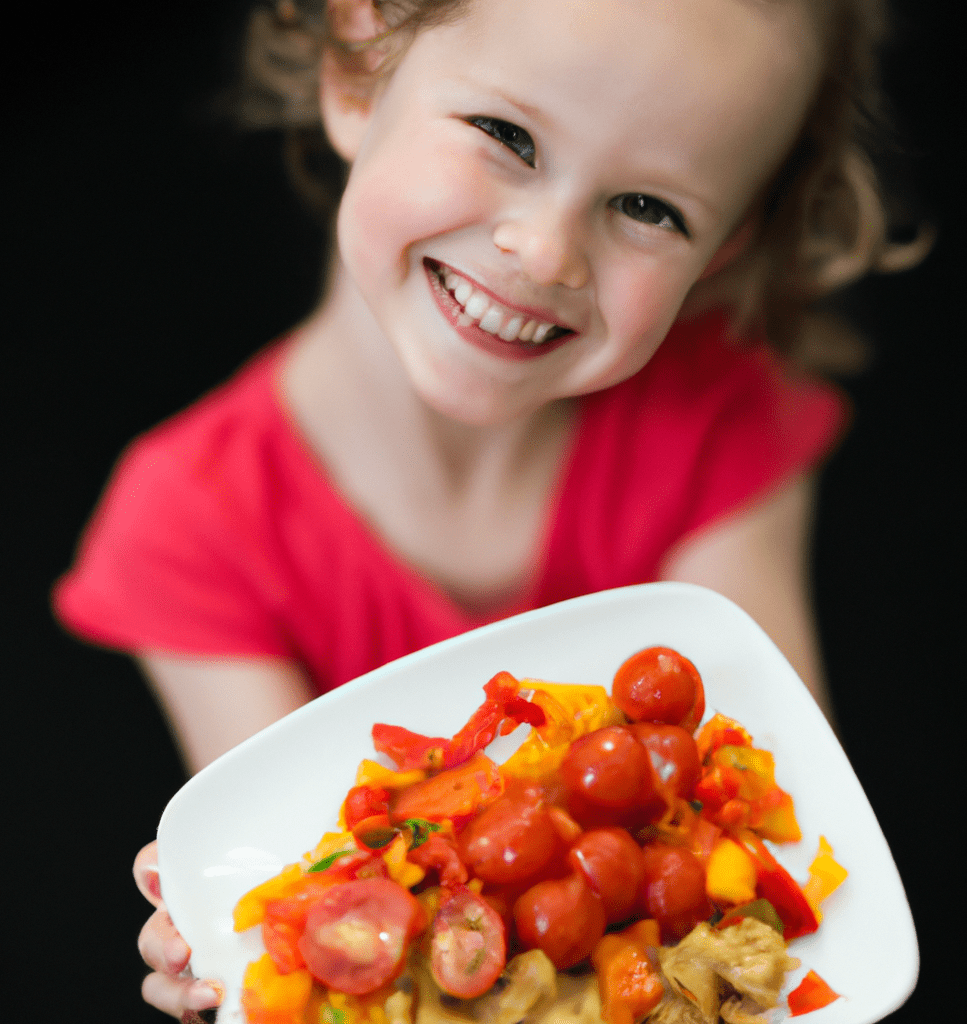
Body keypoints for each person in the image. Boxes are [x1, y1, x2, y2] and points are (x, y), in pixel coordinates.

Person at [53, 0, 929, 1015]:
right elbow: (312, 904)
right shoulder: (189, 521)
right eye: (507, 136)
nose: (545, 249)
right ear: (355, 71)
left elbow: (772, 816)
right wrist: (241, 960)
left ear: (723, 251)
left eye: (650, 208)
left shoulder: (718, 419)